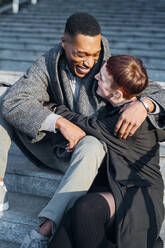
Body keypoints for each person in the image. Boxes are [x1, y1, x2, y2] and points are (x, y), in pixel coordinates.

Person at [0, 12, 164, 248]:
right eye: (81, 54)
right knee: (2, 99)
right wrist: (59, 122)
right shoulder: (49, 62)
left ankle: (46, 228)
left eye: (94, 54)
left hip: (98, 156)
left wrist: (144, 103)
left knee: (91, 147)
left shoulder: (110, 65)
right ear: (64, 43)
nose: (90, 63)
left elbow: (153, 92)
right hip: (58, 145)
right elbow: (14, 101)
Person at [48, 55, 165, 248]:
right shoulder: (116, 108)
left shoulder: (127, 120)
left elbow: (83, 123)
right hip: (114, 186)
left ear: (118, 94)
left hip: (138, 194)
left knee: (86, 208)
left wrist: (52, 107)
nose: (95, 78)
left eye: (101, 79)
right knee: (67, 226)